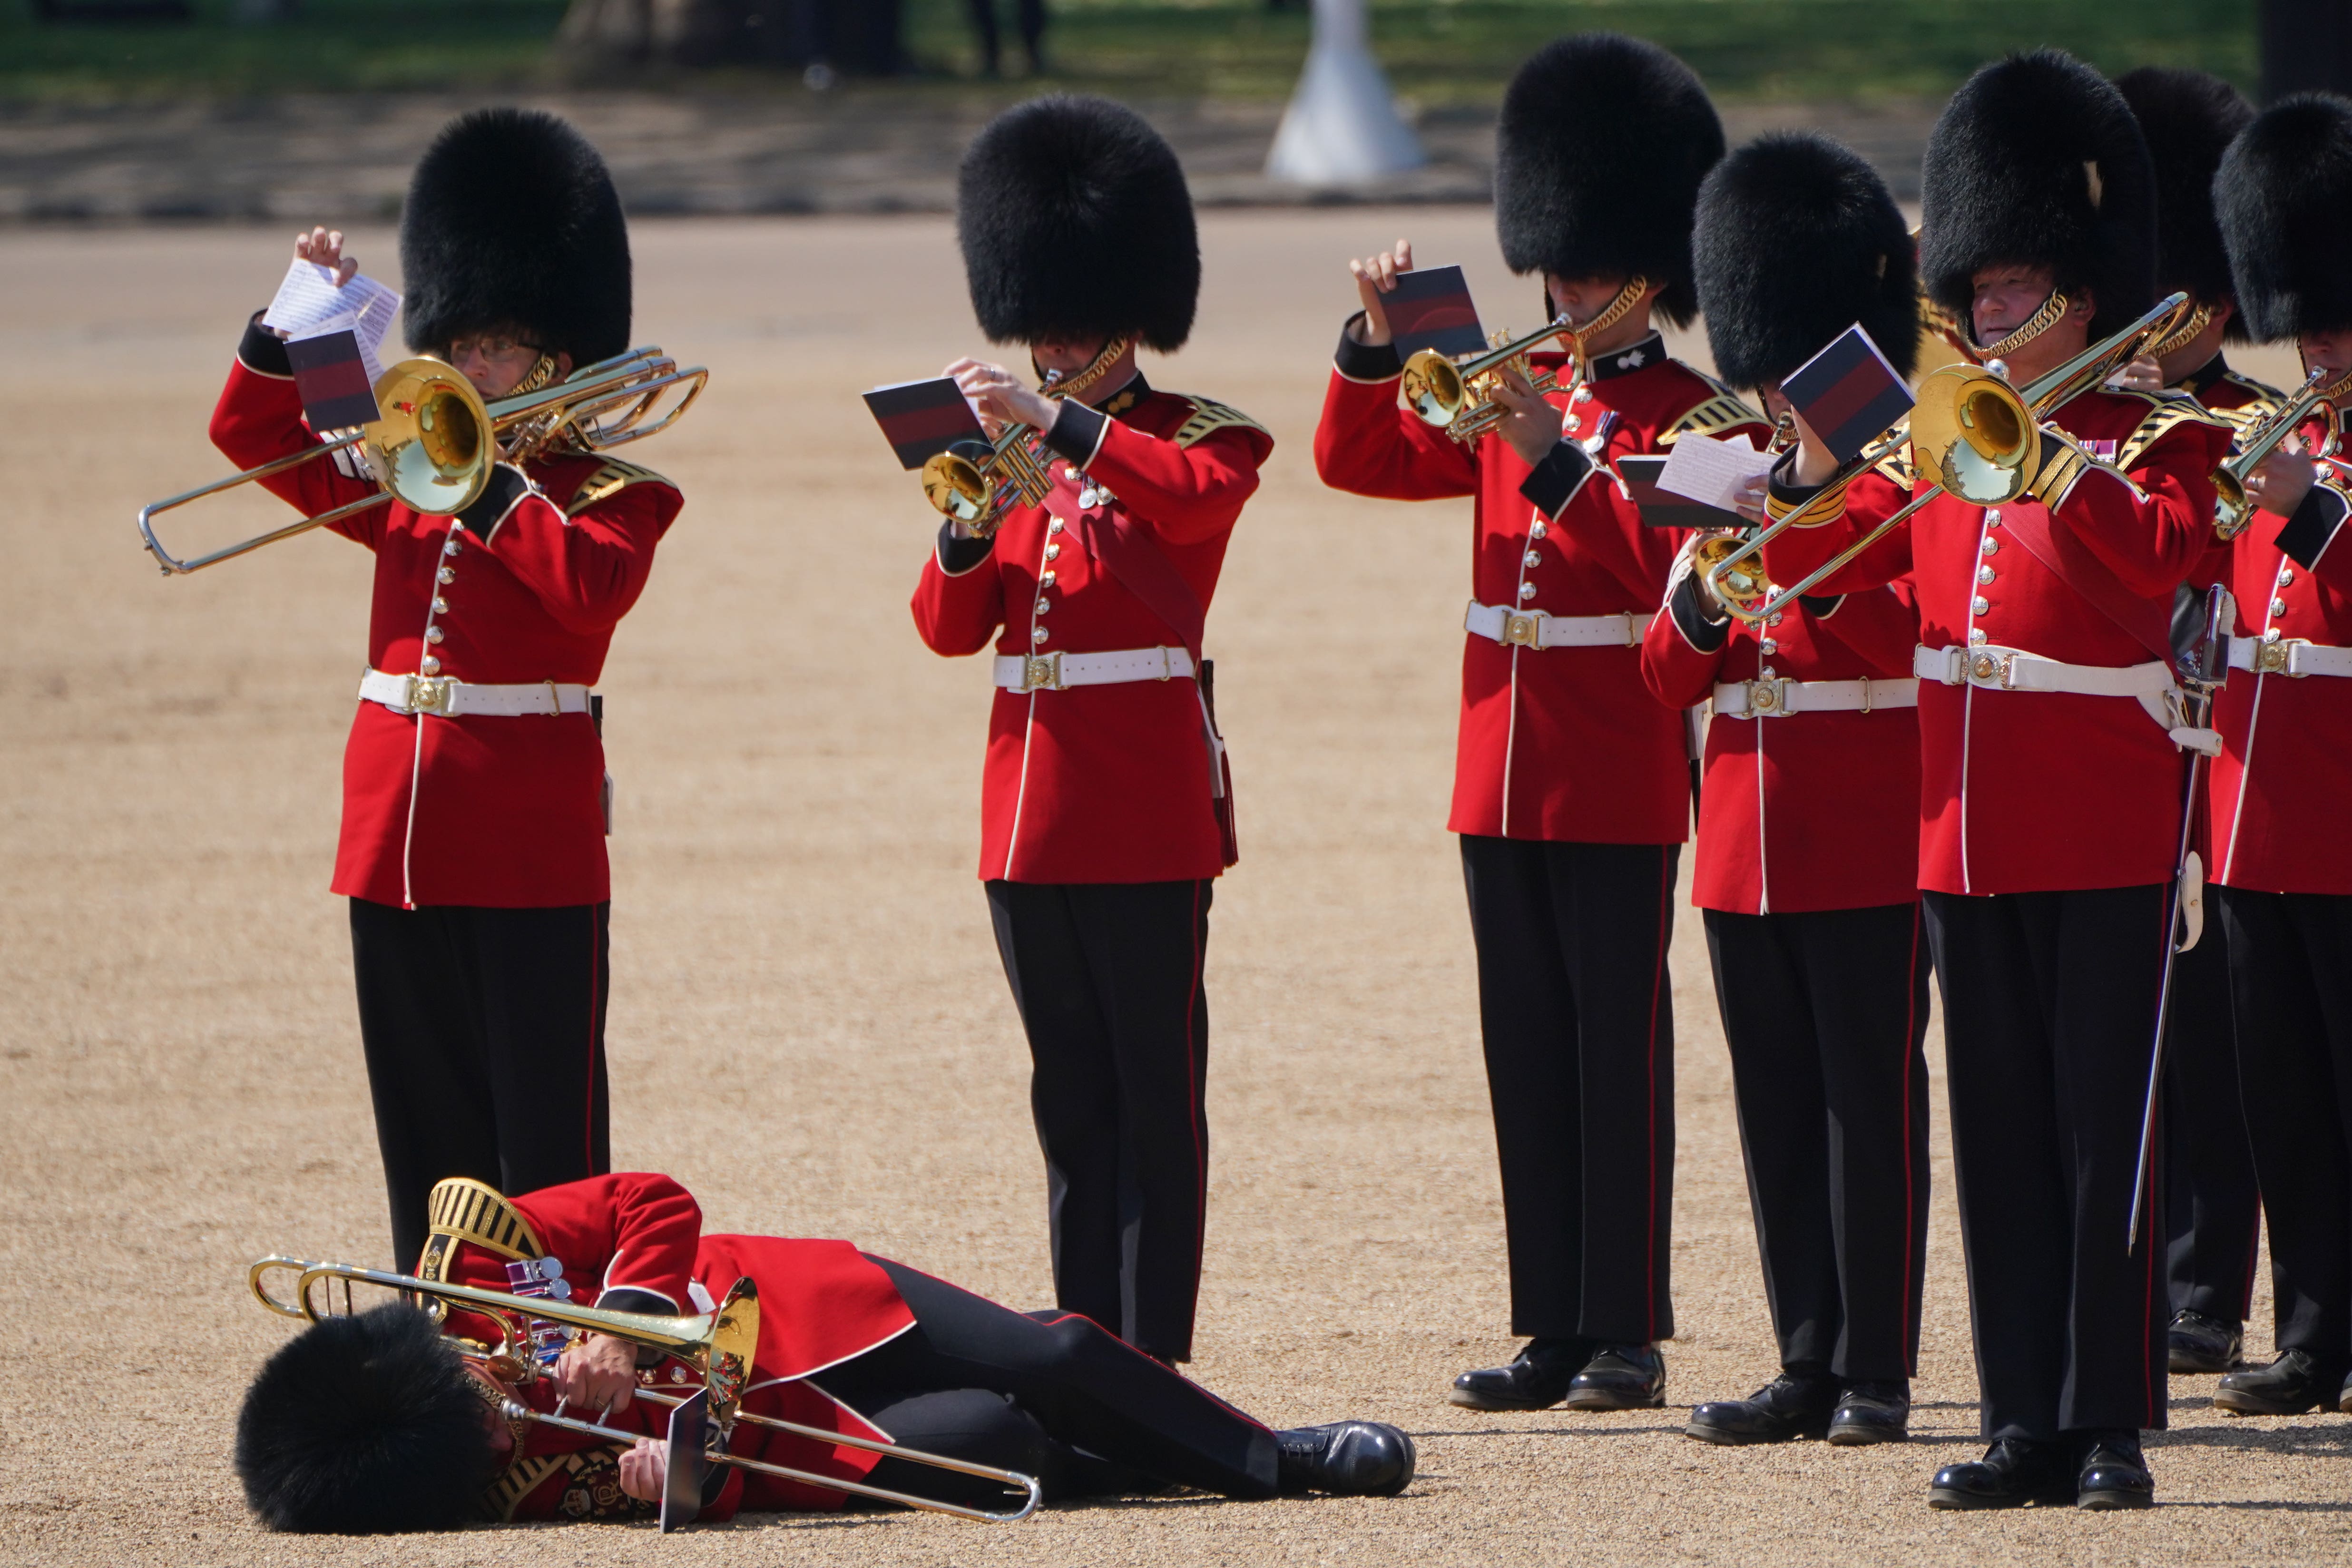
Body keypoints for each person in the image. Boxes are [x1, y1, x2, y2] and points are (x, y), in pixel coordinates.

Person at [1760, 50, 2234, 1509]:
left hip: (2100, 817)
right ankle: (2024, 1415)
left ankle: (2110, 1426)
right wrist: (1795, 513)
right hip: (1965, 832)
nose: (1981, 314)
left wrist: (2052, 469)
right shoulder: (1943, 449)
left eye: (2013, 292)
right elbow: (1884, 605)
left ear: (2080, 300)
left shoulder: (2165, 437)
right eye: (1974, 292)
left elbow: (2161, 569)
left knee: (2105, 1136)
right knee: (2003, 1137)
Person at [1315, 32, 1766, 1414]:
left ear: (1646, 272)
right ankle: (1551, 1323)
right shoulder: (1519, 379)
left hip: (1614, 756)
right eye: (1552, 266)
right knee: (1527, 1044)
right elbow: (1359, 459)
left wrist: (1551, 458)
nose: (1560, 290)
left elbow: (1662, 573)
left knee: (1611, 1047)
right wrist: (1376, 345)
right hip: (1496, 751)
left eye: (1583, 269)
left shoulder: (1697, 413)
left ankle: (1625, 1327)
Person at [206, 109, 682, 1272]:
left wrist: (479, 486)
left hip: (529, 845)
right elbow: (250, 438)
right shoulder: (411, 477)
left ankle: (562, 1372)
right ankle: (447, 1369)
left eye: (498, 350)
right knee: (423, 1140)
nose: (469, 367)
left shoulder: (613, 490)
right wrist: (294, 317)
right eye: (459, 343)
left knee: (548, 1151)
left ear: (556, 361)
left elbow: (587, 591)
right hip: (396, 837)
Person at [910, 96, 1273, 1367]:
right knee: (1069, 1095)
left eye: (1072, 324)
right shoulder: (1013, 458)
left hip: (1146, 807)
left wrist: (1054, 419)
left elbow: (1181, 504)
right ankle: (1080, 1341)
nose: (1050, 342)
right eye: (1039, 321)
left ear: (1131, 316)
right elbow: (950, 633)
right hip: (1031, 814)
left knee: (1154, 1100)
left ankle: (1150, 1352)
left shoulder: (1199, 438)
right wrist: (961, 528)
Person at [235, 1172, 1414, 1530]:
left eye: (473, 1408)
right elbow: (710, 1488)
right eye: (473, 1447)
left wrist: (635, 1333)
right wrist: (678, 1483)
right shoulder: (498, 1479)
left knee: (1050, 1355)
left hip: (806, 1300)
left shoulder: (469, 1258)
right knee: (1000, 1439)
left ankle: (1276, 1457)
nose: (500, 1430)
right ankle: (1142, 1463)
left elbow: (650, 1200)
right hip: (792, 1431)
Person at [1644, 132, 1930, 1450]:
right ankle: (1804, 1355)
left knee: (1869, 1100)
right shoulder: (1717, 458)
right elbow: (1663, 674)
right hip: (1745, 822)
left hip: (1868, 816)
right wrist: (1707, 585)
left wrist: (1813, 510)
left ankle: (1879, 1365)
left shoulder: (1913, 472)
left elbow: (1911, 636)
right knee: (1773, 1106)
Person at [2110, 64, 2273, 1381]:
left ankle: (2206, 1287)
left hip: (2222, 750)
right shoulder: (2106, 422)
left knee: (2216, 1032)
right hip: (2111, 746)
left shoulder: (2241, 426)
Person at [2203, 92, 2352, 1421]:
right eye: (2304, 318)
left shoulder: (2313, 471)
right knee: (2287, 1096)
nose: (2318, 344)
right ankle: (2314, 1334)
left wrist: (2313, 522)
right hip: (2256, 807)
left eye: (2337, 319)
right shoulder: (2282, 438)